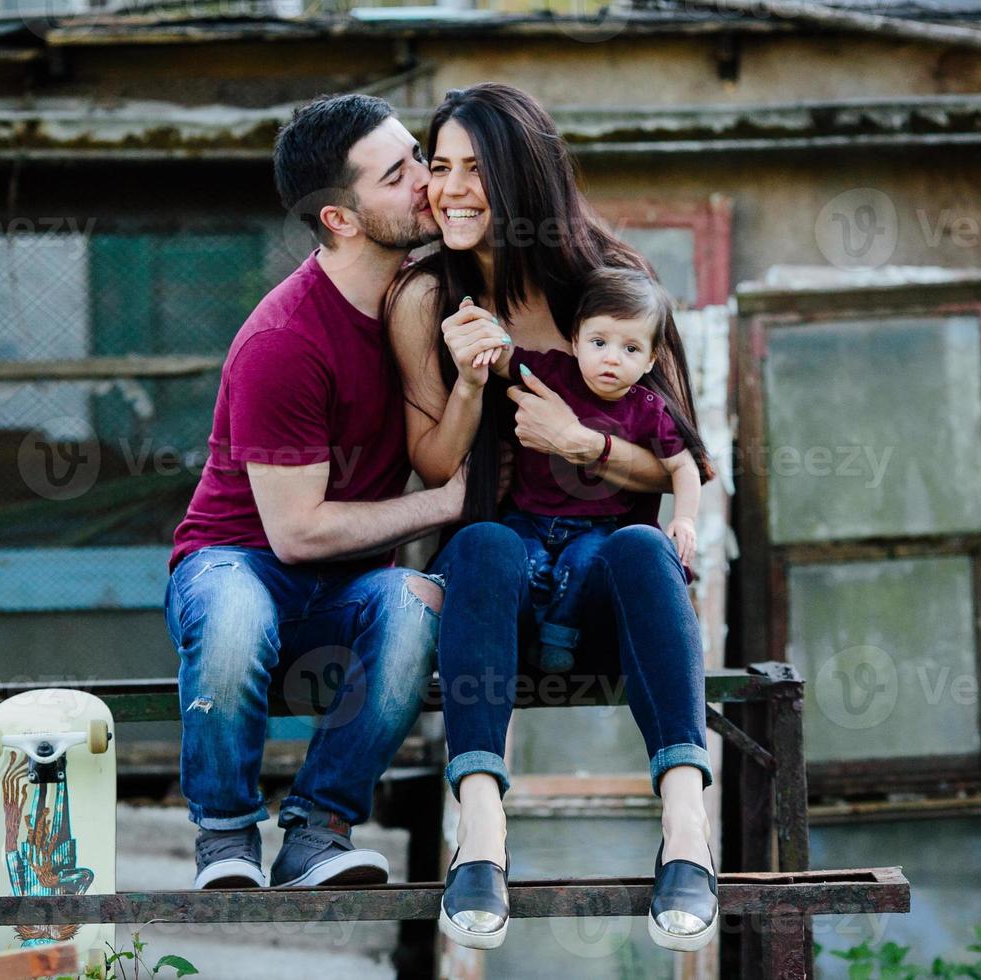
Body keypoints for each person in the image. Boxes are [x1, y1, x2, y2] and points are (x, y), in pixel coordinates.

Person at [386, 82, 721, 951]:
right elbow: (432, 465)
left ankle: (687, 831)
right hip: (492, 609)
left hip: (608, 595)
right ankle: (483, 836)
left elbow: (681, 453)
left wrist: (584, 443)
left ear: (522, 178)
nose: (449, 188)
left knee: (645, 546)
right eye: (440, 166)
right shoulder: (429, 294)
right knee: (485, 540)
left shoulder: (610, 288)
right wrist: (467, 377)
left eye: (475, 170)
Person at [166, 93, 463, 891]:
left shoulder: (426, 300)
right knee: (235, 615)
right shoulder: (285, 341)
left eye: (421, 160)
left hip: (350, 588)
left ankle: (317, 835)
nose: (428, 184)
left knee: (416, 599)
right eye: (399, 174)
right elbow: (294, 534)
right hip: (240, 564)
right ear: (340, 217)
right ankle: (226, 841)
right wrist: (448, 502)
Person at [475, 266, 704, 673]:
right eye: (599, 342)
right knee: (525, 566)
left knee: (580, 568)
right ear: (576, 340)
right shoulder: (553, 372)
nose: (612, 359)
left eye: (630, 349)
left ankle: (558, 639)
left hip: (598, 526)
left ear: (651, 358)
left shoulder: (647, 410)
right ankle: (525, 639)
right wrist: (484, 330)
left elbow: (683, 465)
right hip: (528, 516)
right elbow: (506, 362)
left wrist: (685, 519)